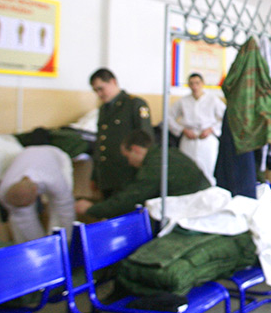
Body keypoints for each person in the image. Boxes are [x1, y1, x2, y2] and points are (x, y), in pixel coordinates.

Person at [75, 130, 211, 220]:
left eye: (127, 156)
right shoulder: (166, 153)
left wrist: (92, 209)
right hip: (201, 205)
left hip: (192, 211)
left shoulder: (155, 165)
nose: (129, 162)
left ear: (135, 149)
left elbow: (131, 198)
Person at [89, 68, 154, 198]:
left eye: (101, 89)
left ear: (113, 82)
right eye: (95, 91)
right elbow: (100, 142)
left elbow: (146, 140)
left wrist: (144, 174)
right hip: (107, 175)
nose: (99, 94)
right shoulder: (104, 109)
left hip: (128, 174)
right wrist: (95, 175)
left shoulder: (134, 104)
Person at [0, 145, 75, 243]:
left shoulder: (53, 180)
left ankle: (60, 242)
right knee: (21, 217)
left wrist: (64, 240)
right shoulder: (3, 191)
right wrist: (37, 245)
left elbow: (65, 208)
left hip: (55, 156)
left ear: (35, 191)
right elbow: (21, 220)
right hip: (27, 155)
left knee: (62, 208)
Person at [167, 72, 225, 186]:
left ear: (202, 84)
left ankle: (209, 190)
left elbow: (226, 117)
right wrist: (182, 129)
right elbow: (168, 117)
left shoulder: (213, 100)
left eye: (197, 83)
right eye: (192, 84)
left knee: (208, 169)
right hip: (189, 138)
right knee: (187, 170)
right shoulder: (183, 101)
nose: (195, 86)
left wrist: (212, 129)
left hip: (207, 139)